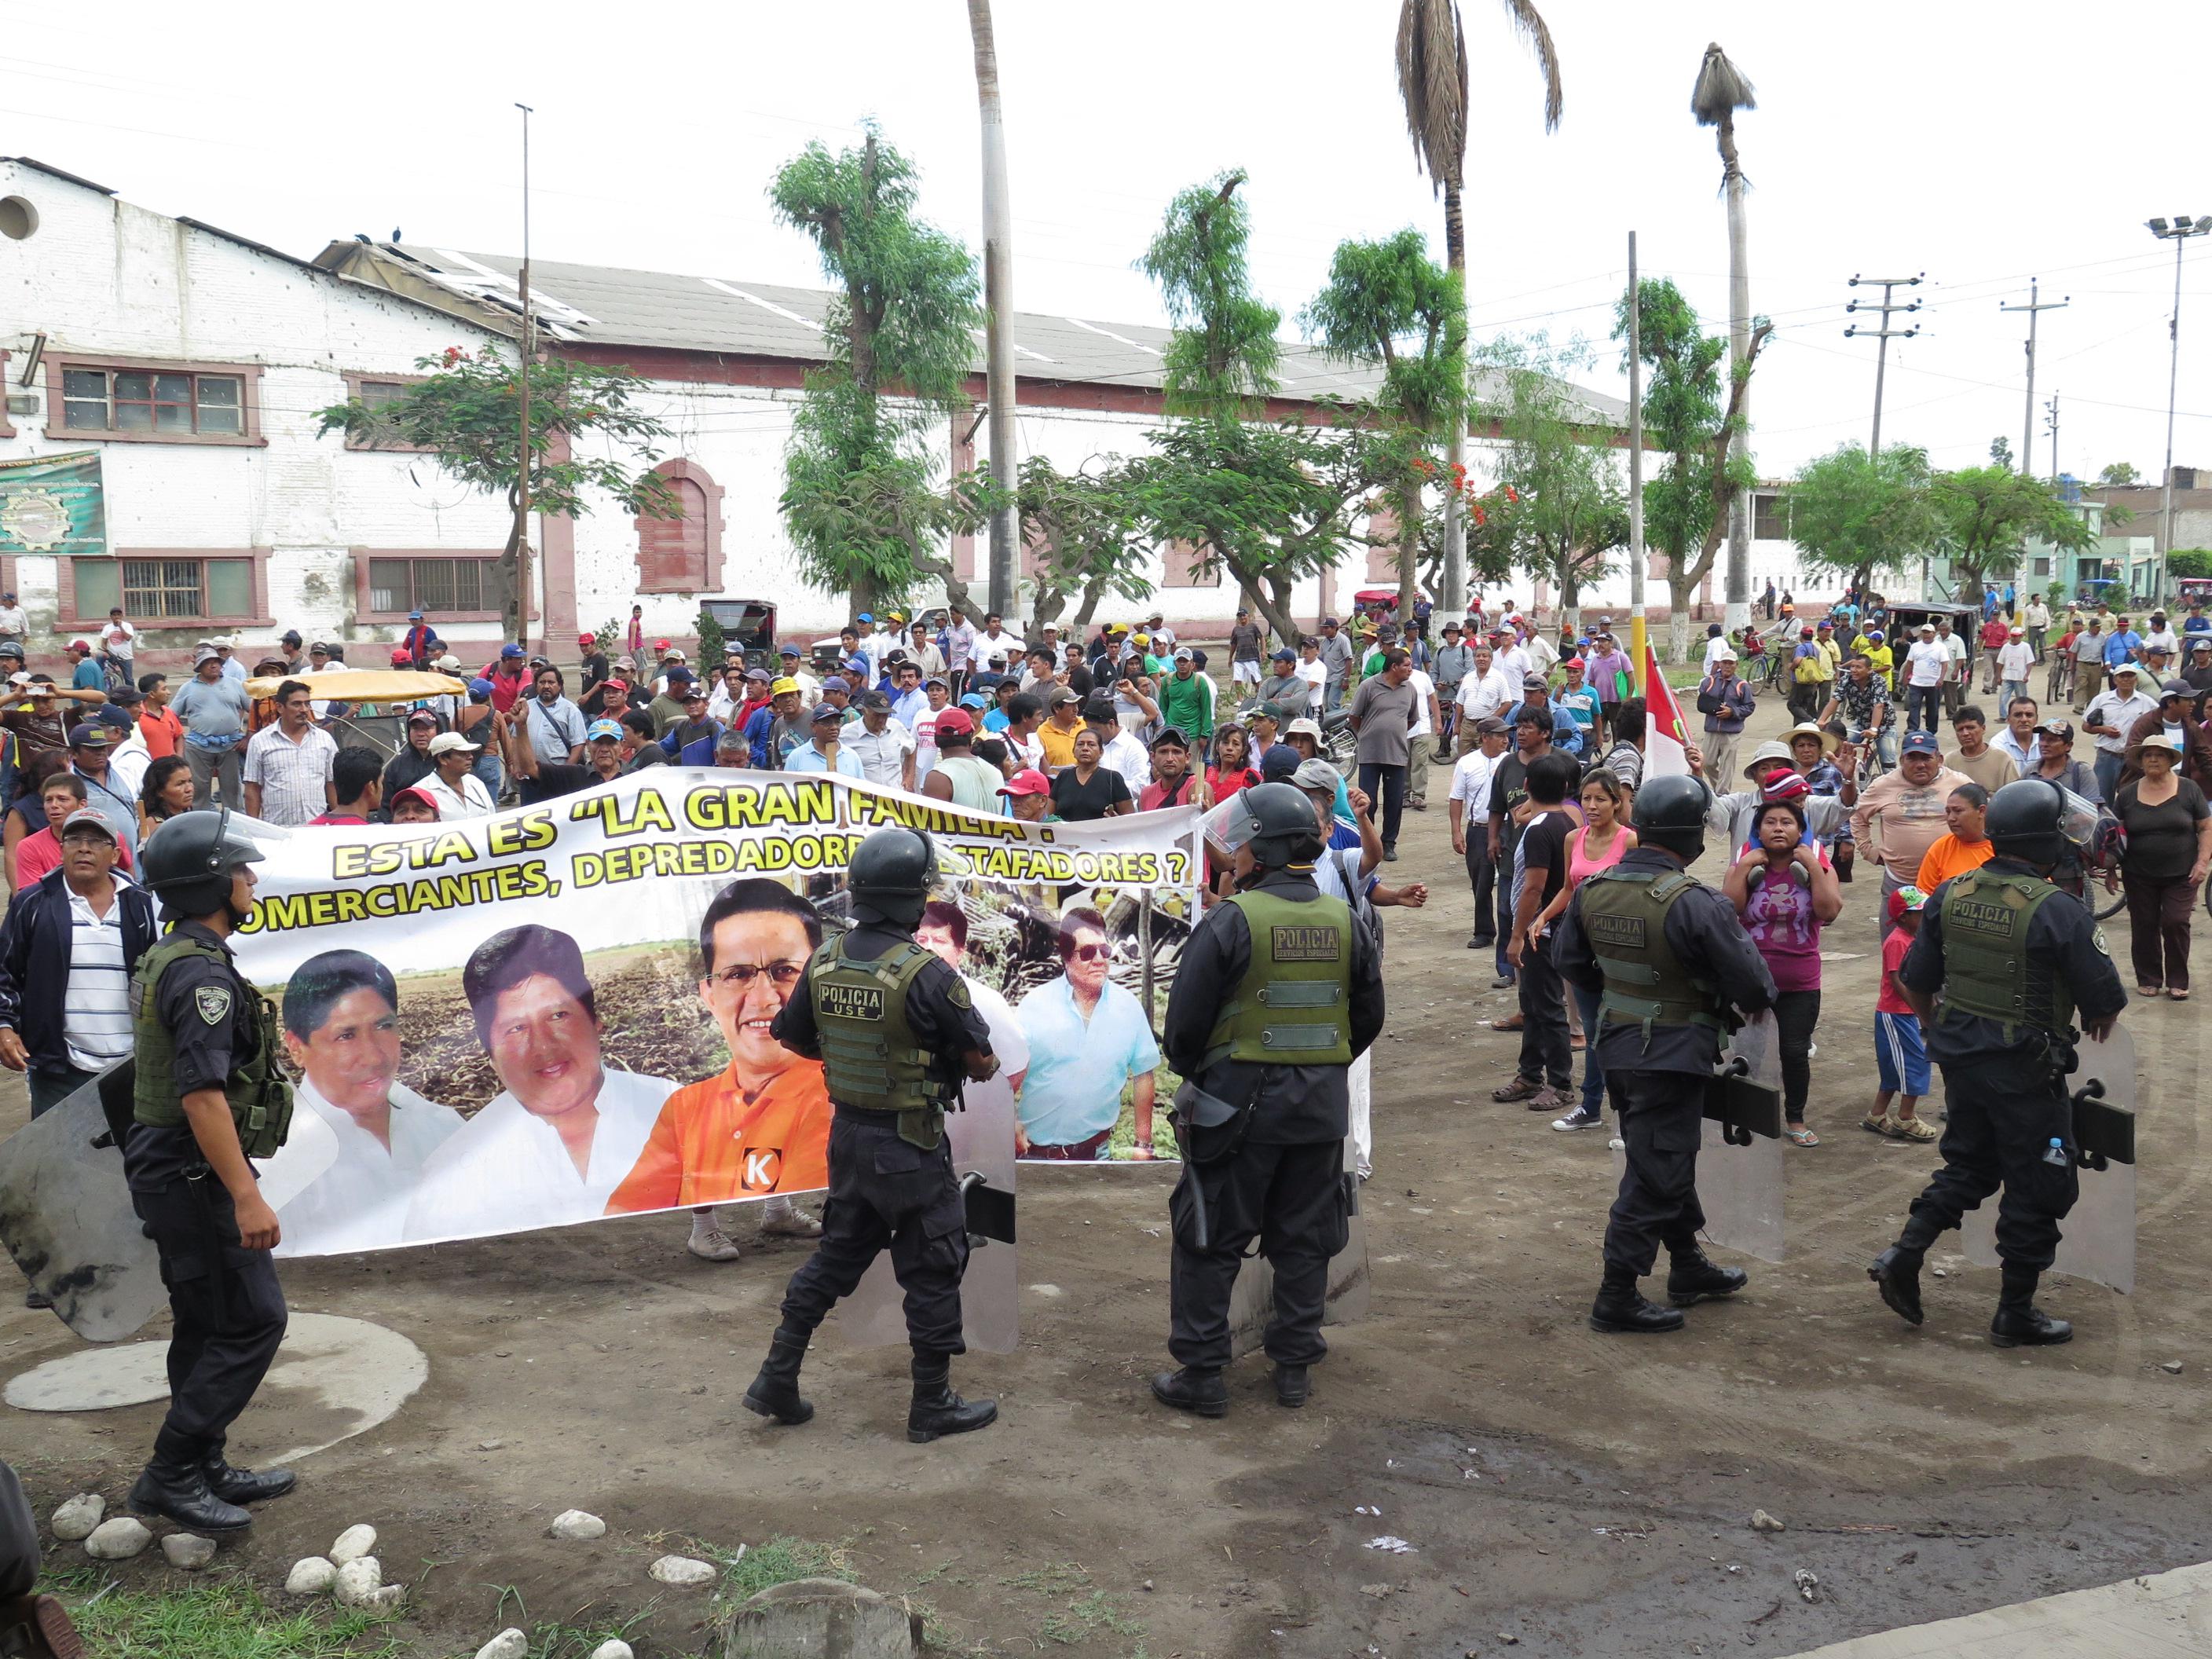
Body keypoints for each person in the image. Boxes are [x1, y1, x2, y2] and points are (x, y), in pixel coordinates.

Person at [742, 826, 1002, 1442]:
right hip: (909, 1145)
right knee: (934, 1263)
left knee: (837, 1256)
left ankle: (777, 1375)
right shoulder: (926, 975)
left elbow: (794, 1035)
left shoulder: (825, 961)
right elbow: (982, 1061)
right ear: (914, 899)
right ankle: (931, 1404)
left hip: (851, 1140)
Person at [1149, 782, 1384, 1417]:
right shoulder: (1345, 920)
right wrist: (1313, 1062)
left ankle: (1202, 1374)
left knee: (1210, 1236)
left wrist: (1215, 1074)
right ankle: (1294, 1365)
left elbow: (1183, 1030)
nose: (1236, 853)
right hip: (1318, 1109)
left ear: (1265, 850)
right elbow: (1368, 1017)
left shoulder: (1232, 919)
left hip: (1236, 1111)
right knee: (1305, 1237)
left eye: (1245, 842)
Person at [1869, 778, 2129, 1347]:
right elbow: (2105, 1007)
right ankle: (2016, 1312)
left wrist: (1941, 1029)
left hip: (1962, 1057)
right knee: (2041, 1181)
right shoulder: (2058, 910)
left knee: (1970, 1164)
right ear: (2047, 842)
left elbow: (1915, 982)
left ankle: (1904, 1253)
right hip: (2025, 1069)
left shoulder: (1951, 893)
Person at [121, 808, 297, 1532]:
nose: (250, 878)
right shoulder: (200, 976)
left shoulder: (178, 955)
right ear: (210, 884)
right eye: (240, 869)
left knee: (205, 1321)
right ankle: (169, 1472)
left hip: (172, 1170)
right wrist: (247, 1197)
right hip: (191, 1173)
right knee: (255, 1319)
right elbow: (201, 1097)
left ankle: (204, 1463)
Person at [1553, 775, 1779, 1335]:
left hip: (1620, 1047)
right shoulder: (1695, 902)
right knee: (1656, 1170)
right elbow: (1756, 989)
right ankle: (1617, 1294)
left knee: (1661, 1154)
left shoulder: (1594, 889)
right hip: (1674, 1054)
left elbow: (1570, 962)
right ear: (1690, 835)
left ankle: (1688, 1266)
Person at [605, 881, 832, 1260]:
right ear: (709, 994)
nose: (764, 998)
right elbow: (625, 1208)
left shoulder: (837, 1090)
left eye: (785, 970)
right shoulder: (686, 1108)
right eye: (738, 974)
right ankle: (704, 1229)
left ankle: (778, 1211)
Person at [405, 926, 673, 1242]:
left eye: (559, 1015)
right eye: (516, 1028)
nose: (543, 1047)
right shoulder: (449, 1177)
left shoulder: (681, 1111)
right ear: (490, 1054)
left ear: (595, 1021)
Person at [256, 951, 463, 1255]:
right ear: (297, 1048)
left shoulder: (446, 1127)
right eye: (346, 1035)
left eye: (384, 1026)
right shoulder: (276, 1160)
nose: (374, 1056)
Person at [0, 807, 153, 1148]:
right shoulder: (32, 903)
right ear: (61, 849)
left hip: (132, 1064)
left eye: (97, 841)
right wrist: (4, 1026)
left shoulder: (141, 906)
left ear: (115, 854)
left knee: (134, 1163)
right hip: (59, 1065)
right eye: (75, 839)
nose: (84, 848)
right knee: (57, 1160)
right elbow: (4, 970)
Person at [1723, 780, 1843, 1146]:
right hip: (1752, 978)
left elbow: (1829, 911)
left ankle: (1795, 1117)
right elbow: (1727, 911)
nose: (1778, 828)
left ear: (1801, 830)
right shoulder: (1746, 863)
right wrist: (1744, 866)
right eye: (1770, 822)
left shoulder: (1816, 863)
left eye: (1787, 822)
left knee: (1794, 1051)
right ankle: (1748, 1118)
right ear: (1758, 830)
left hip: (1800, 980)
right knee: (1749, 1052)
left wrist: (1812, 866)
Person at [1530, 771, 1638, 1133]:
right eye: (1586, 798)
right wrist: (1542, 916)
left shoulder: (1631, 842)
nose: (1591, 806)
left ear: (1617, 803)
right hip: (1582, 950)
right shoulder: (1573, 838)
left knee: (1622, 1031)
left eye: (1601, 799)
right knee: (1592, 1031)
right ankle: (1591, 1107)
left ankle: (1627, 1118)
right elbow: (1567, 888)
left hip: (1620, 951)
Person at [1013, 908, 1159, 1158]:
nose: (1100, 960)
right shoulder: (1034, 1004)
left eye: (1104, 951)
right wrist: (1010, 1119)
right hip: (1034, 1153)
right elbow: (1008, 1072)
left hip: (1097, 1154)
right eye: (1088, 952)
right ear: (1067, 957)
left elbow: (1144, 1075)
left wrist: (1143, 1143)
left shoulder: (1128, 1007)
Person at [1492, 753, 1584, 1115]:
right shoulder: (1566, 821)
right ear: (1565, 789)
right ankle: (1530, 1075)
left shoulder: (1539, 828)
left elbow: (1533, 887)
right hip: (1551, 927)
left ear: (1526, 786)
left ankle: (1560, 1084)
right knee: (1532, 1004)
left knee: (1546, 1007)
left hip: (1539, 932)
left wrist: (1517, 935)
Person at [2110, 733, 2211, 999]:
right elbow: (2112, 835)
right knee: (2144, 924)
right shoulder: (2128, 794)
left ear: (2170, 760)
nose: (2153, 759)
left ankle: (2178, 980)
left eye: (2160, 754)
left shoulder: (2189, 789)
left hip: (2182, 873)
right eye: (2148, 755)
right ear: (2141, 761)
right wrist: (2109, 868)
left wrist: (2202, 862)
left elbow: (2205, 827)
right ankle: (2149, 977)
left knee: (2176, 921)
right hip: (2138, 873)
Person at [1849, 734, 1972, 934]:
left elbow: (1980, 818)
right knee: (1896, 945)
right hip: (1899, 881)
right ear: (1901, 761)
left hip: (1948, 883)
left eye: (1926, 758)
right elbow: (1858, 817)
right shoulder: (1883, 785)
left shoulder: (1960, 784)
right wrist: (1868, 850)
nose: (1920, 764)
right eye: (1912, 758)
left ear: (1939, 759)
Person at [1863, 884, 1940, 1141]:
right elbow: (1898, 980)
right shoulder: (1897, 941)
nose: (1925, 916)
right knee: (1916, 1062)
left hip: (1902, 1013)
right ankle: (1906, 1117)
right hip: (1896, 1014)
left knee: (1894, 1068)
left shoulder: (1913, 939)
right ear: (1904, 917)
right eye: (1919, 912)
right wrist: (1921, 1010)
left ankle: (1877, 1114)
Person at [1348, 648, 1417, 860]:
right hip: (1370, 753)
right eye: (1406, 665)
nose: (1410, 669)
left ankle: (1388, 843)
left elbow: (1412, 719)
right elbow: (1354, 716)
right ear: (1394, 667)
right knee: (1368, 801)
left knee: (1394, 801)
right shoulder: (1369, 686)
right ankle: (1368, 843)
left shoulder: (1410, 689)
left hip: (1397, 754)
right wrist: (1367, 734)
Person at [240, 679, 338, 828]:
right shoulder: (260, 741)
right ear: (280, 707)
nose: (304, 709)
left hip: (318, 829)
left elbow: (331, 784)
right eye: (297, 704)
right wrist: (254, 828)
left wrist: (339, 822)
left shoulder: (324, 739)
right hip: (277, 830)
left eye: (307, 703)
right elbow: (252, 788)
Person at [1448, 716, 1508, 952]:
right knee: (1480, 883)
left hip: (1507, 828)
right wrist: (1456, 831)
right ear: (1485, 738)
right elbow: (1456, 798)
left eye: (1506, 735)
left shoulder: (1511, 761)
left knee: (1509, 879)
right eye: (1499, 735)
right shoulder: (1466, 763)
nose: (1505, 740)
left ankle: (1511, 929)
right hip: (1478, 829)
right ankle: (1484, 930)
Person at [2083, 661, 2156, 803]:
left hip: (2134, 759)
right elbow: (2085, 726)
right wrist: (2103, 730)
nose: (2126, 680)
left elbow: (2157, 725)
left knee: (2133, 799)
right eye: (2122, 676)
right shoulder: (2102, 700)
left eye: (2130, 676)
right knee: (2101, 799)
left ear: (2136, 679)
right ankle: (2105, 825)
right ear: (2115, 680)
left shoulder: (2147, 702)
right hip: (2107, 756)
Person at [1915, 782, 1995, 893]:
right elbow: (1924, 896)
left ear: (1982, 811)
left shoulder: (2002, 847)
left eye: (1958, 811)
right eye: (1948, 812)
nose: (1951, 818)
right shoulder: (1941, 848)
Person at [1695, 646, 1756, 786]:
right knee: (1707, 763)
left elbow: (1749, 707)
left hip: (1731, 732)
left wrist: (1732, 712)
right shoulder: (1708, 682)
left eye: (1731, 663)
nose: (1727, 666)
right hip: (1711, 730)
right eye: (1725, 663)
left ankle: (1723, 794)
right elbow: (1702, 701)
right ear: (1720, 664)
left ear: (1736, 665)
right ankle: (1718, 787)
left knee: (1727, 767)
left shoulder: (1742, 685)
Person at [415, 731, 496, 819]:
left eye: (470, 753)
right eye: (462, 754)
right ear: (443, 759)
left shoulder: (476, 783)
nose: (470, 757)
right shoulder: (422, 792)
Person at [1944, 705, 2019, 793]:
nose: (1965, 733)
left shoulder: (2003, 760)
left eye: (1970, 728)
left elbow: (2014, 795)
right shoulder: (1949, 761)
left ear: (1983, 729)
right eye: (1960, 730)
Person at [308, 747, 383, 826]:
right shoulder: (365, 834)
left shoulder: (310, 828)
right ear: (371, 787)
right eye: (381, 782)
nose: (383, 788)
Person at [137, 756, 196, 848]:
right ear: (159, 791)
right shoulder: (154, 825)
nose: (189, 789)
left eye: (190, 781)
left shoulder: (188, 814)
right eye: (180, 784)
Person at [1228, 607, 1265, 690]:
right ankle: (1239, 700)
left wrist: (1263, 651)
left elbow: (1261, 638)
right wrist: (1230, 658)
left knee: (1256, 678)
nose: (1242, 618)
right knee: (1237, 679)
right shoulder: (1236, 629)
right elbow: (1233, 644)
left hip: (1252, 657)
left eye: (1244, 615)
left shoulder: (1253, 626)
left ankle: (1260, 694)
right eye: (1240, 616)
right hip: (1239, 658)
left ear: (1248, 616)